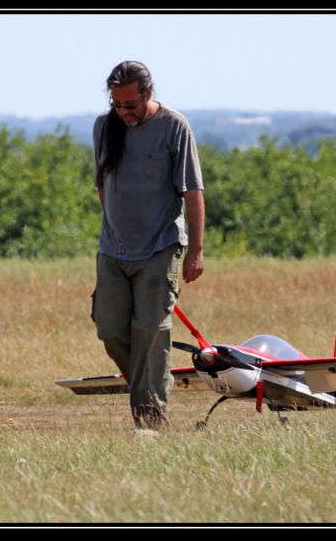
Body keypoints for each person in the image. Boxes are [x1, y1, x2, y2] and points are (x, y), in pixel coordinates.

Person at [91, 61, 205, 432]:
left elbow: (192, 191)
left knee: (150, 330)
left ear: (148, 95)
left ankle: (150, 419)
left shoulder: (174, 126)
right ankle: (147, 386)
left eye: (131, 105)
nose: (123, 112)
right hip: (113, 251)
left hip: (160, 247)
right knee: (110, 330)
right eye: (117, 104)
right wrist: (116, 227)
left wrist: (196, 250)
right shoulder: (104, 126)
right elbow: (102, 186)